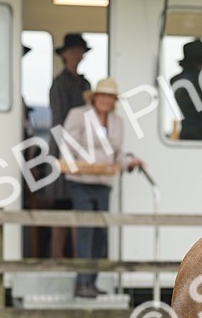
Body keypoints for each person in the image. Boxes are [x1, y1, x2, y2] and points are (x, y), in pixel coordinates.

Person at [61, 78, 144, 299]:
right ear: (95, 97)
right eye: (102, 95)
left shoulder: (117, 121)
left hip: (103, 183)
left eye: (110, 97)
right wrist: (76, 166)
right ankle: (82, 282)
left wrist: (129, 163)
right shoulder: (78, 115)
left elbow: (118, 154)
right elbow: (67, 146)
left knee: (100, 234)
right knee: (86, 230)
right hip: (81, 181)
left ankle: (92, 281)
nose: (105, 100)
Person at [49, 33, 92, 259]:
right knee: (61, 206)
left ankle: (79, 259)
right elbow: (59, 121)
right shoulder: (59, 84)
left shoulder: (85, 84)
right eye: (73, 50)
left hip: (83, 151)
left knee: (79, 205)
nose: (77, 55)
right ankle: (57, 258)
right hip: (62, 149)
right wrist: (66, 152)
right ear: (64, 54)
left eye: (79, 51)